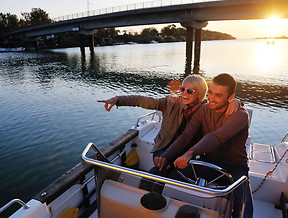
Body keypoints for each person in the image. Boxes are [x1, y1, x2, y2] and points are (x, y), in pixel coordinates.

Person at [156, 73, 256, 218]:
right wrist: (166, 157)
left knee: (244, 216)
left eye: (218, 95)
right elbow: (186, 136)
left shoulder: (240, 115)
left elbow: (216, 137)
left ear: (231, 97)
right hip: (208, 163)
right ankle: (151, 213)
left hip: (236, 169)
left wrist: (190, 153)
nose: (212, 98)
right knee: (160, 170)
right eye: (210, 92)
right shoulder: (204, 109)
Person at [98, 74, 239, 176]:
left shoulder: (206, 109)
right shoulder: (170, 103)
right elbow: (143, 100)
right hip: (164, 148)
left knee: (172, 170)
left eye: (189, 91)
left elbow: (223, 102)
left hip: (189, 152)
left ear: (200, 94)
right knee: (162, 168)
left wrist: (236, 102)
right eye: (182, 88)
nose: (183, 93)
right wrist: (118, 100)